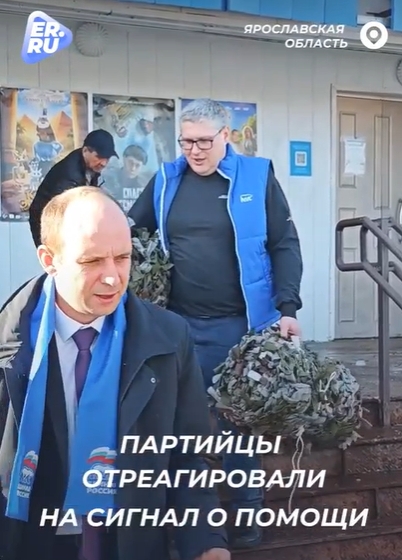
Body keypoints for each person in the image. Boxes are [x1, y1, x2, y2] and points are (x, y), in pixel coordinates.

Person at [0, 186, 230, 560]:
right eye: (92, 261)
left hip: (129, 543)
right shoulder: (8, 343)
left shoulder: (169, 338)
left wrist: (205, 541)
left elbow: (188, 457)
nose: (112, 278)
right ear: (49, 260)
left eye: (122, 258)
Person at [128, 97, 303, 549]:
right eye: (187, 141)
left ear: (227, 135)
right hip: (178, 327)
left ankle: (246, 513)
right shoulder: (167, 180)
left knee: (235, 426)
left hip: (238, 329)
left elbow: (284, 243)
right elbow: (129, 230)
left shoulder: (256, 177)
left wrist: (288, 308)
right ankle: (188, 521)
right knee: (177, 426)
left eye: (204, 141)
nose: (195, 151)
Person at [28, 129, 118, 247]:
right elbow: (66, 213)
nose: (104, 163)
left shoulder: (88, 163)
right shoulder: (69, 175)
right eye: (99, 157)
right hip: (48, 222)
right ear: (85, 150)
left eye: (107, 158)